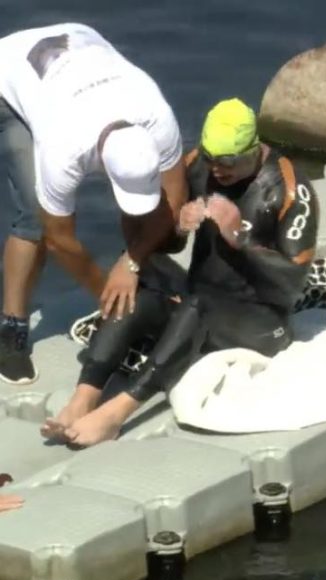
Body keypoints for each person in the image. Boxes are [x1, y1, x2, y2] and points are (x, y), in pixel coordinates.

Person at [41, 97, 319, 446]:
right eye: (211, 159)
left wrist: (239, 240)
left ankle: (117, 413)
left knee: (198, 307)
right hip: (198, 298)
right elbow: (165, 242)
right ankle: (83, 398)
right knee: (135, 294)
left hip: (262, 322)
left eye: (228, 162)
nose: (217, 170)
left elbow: (291, 283)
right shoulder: (197, 166)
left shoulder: (290, 189)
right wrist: (178, 229)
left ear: (254, 149)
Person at [0, 23, 188, 385]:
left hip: (76, 40)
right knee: (33, 220)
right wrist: (105, 295)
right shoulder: (63, 149)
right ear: (100, 163)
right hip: (7, 75)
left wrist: (130, 262)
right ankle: (12, 330)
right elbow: (58, 238)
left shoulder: (157, 117)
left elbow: (175, 197)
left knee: (158, 211)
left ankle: (139, 281)